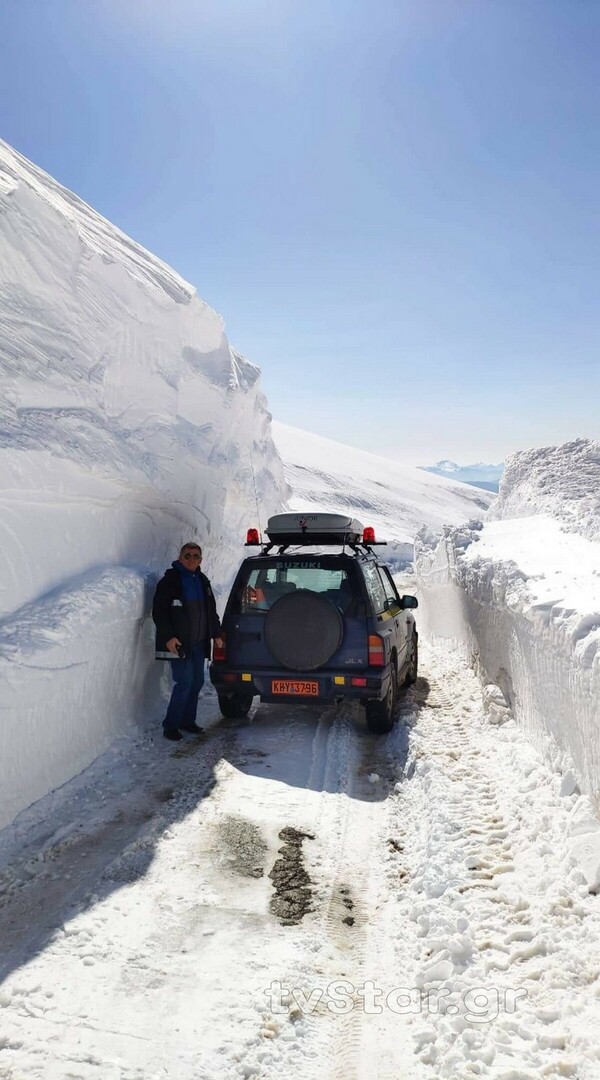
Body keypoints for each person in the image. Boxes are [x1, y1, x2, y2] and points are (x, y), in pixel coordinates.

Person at [152, 542, 223, 741]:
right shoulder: (170, 581)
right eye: (187, 555)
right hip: (179, 643)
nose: (191, 559)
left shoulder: (203, 581)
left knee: (198, 681)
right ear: (180, 557)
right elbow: (159, 613)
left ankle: (187, 721)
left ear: (201, 559)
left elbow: (211, 612)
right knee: (185, 682)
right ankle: (171, 725)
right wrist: (168, 637)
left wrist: (216, 634)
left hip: (199, 643)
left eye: (196, 555)